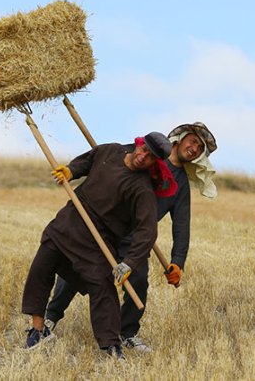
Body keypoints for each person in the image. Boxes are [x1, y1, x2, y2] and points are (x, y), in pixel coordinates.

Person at [44, 122, 218, 353]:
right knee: (76, 271)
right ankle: (50, 319)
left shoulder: (181, 186)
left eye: (200, 148)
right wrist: (72, 171)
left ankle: (126, 333)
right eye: (193, 141)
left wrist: (178, 261)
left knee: (138, 281)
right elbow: (98, 158)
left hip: (136, 239)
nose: (195, 148)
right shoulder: (148, 153)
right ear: (180, 139)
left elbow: (182, 226)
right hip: (107, 226)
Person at [22, 132, 173, 359]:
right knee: (40, 270)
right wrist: (71, 171)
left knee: (103, 289)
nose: (144, 157)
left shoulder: (142, 190)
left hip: (98, 241)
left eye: (151, 157)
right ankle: (38, 330)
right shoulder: (111, 150)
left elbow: (147, 231)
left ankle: (111, 347)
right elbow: (89, 160)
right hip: (68, 222)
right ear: (138, 144)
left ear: (155, 162)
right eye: (144, 150)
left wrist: (129, 263)